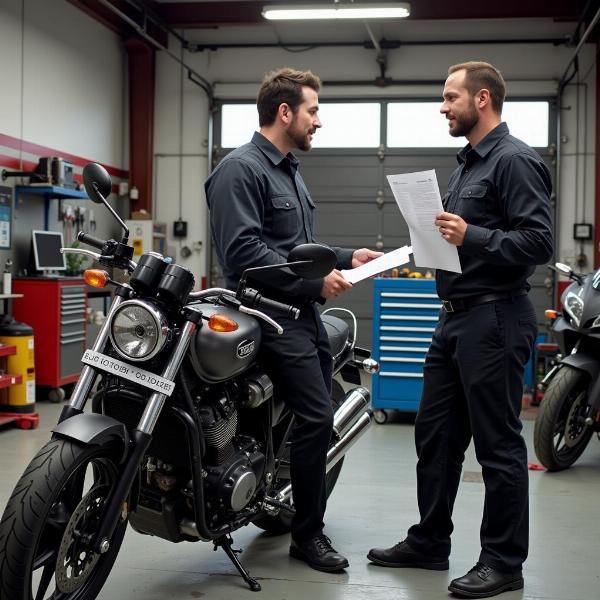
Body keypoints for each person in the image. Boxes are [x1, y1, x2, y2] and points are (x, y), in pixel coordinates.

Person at [367, 61, 553, 598]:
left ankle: (502, 561)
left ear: (484, 99)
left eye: (451, 97)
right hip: (453, 317)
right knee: (436, 436)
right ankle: (430, 541)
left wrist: (471, 235)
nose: (443, 107)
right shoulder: (467, 166)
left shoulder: (514, 161)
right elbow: (458, 237)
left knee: (497, 446)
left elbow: (537, 244)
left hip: (495, 316)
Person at [205, 67, 382, 573]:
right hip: (268, 317)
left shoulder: (288, 170)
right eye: (313, 111)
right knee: (316, 415)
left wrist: (348, 257)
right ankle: (309, 535)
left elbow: (297, 247)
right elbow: (244, 253)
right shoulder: (242, 170)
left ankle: (301, 525)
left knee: (314, 415)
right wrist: (314, 285)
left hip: (300, 314)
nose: (318, 122)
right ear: (285, 112)